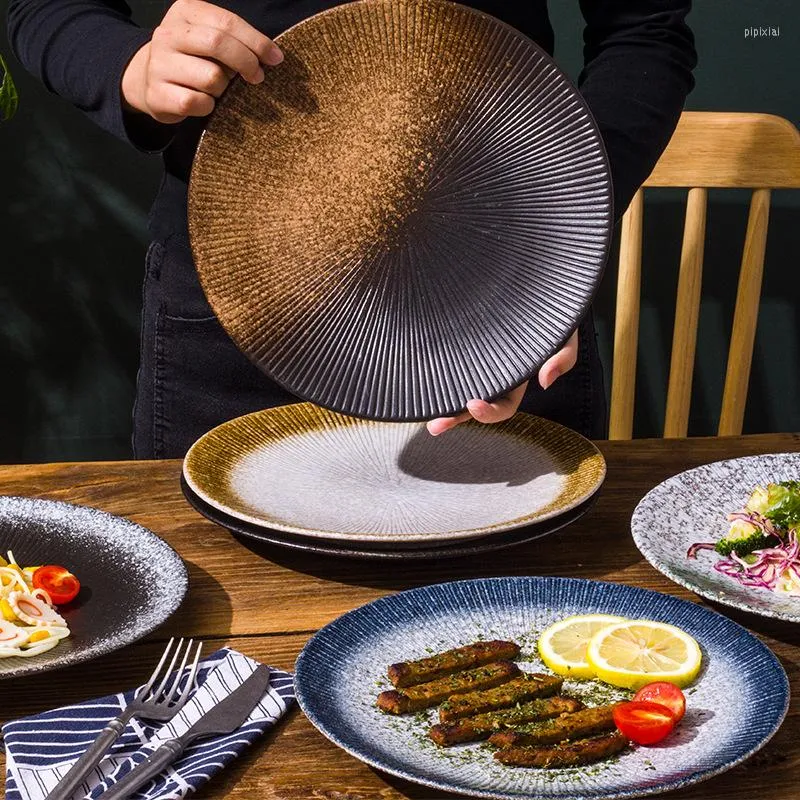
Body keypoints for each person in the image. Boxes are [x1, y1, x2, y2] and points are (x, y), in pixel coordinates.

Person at [7, 0, 696, 459]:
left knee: (513, 632)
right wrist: (129, 67)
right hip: (235, 298)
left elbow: (645, 29)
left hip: (504, 283)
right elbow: (45, 7)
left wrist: (557, 232)